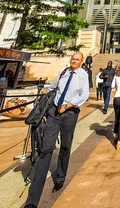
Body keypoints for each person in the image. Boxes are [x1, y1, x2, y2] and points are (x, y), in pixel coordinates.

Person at [24, 52, 89, 208]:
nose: (74, 61)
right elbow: (52, 89)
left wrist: (68, 105)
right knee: (45, 149)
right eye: (73, 59)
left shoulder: (83, 75)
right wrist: (46, 111)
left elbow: (84, 95)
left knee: (65, 146)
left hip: (69, 114)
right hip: (53, 113)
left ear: (81, 62)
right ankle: (32, 200)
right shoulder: (63, 72)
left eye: (77, 59)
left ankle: (60, 176)